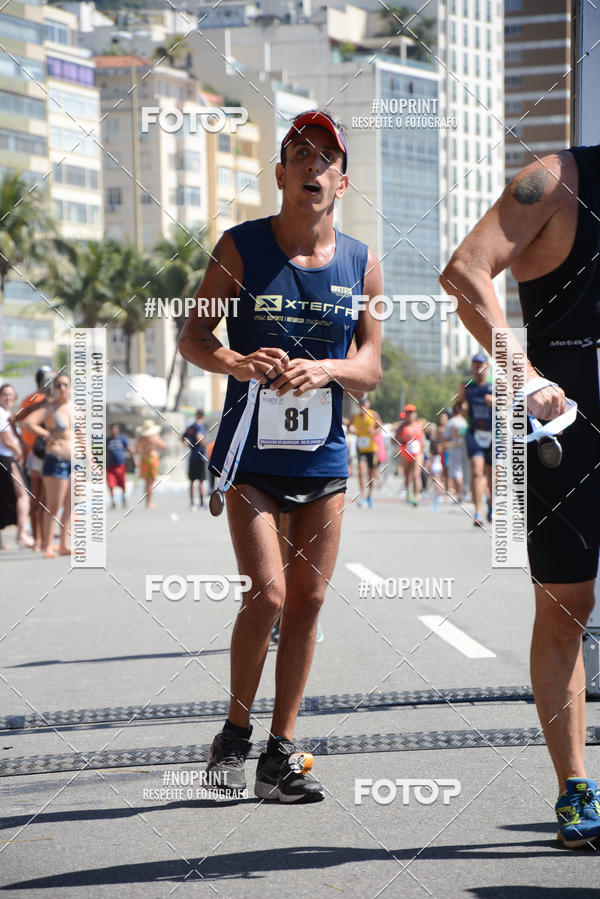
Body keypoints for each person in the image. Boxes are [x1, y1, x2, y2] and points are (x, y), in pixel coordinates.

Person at [178, 108, 382, 802]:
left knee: (310, 601)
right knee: (267, 593)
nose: (311, 165)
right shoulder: (239, 248)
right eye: (299, 153)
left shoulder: (361, 263)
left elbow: (371, 366)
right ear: (280, 174)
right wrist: (237, 361)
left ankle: (279, 753)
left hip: (322, 459)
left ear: (342, 180)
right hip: (252, 457)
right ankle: (235, 728)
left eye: (325, 157)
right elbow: (193, 338)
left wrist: (326, 371)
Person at [440, 145, 600, 847]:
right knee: (569, 603)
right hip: (569, 415)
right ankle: (575, 789)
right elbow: (464, 270)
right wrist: (525, 375)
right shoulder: (555, 181)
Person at [23, 374, 72, 558]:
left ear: (70, 387)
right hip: (56, 459)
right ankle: (49, 544)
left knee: (70, 504)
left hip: (75, 461)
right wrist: (47, 434)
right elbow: (28, 423)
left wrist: (92, 461)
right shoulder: (49, 407)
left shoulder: (75, 409)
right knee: (54, 504)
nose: (62, 388)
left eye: (65, 385)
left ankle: (64, 544)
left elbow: (82, 437)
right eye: (58, 385)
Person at [12, 367, 54, 550]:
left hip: (40, 454)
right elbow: (16, 419)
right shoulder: (37, 400)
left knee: (42, 499)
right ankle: (41, 540)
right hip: (38, 454)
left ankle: (42, 539)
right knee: (41, 498)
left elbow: (16, 420)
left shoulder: (45, 401)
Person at [459, 353, 493, 527]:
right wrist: (461, 403)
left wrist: (495, 401)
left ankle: (492, 504)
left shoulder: (495, 384)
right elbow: (461, 408)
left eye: (480, 363)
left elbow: (512, 403)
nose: (477, 366)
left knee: (493, 474)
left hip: (495, 433)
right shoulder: (468, 386)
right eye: (474, 364)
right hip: (475, 432)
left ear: (487, 365)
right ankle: (478, 512)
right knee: (477, 471)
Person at [0, 384, 33, 549]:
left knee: (4, 497)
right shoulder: (1, 414)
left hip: (7, 457)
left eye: (10, 395)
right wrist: (18, 450)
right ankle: (22, 534)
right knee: (23, 495)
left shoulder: (7, 414)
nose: (7, 398)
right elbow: (5, 438)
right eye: (4, 395)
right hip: (6, 458)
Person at [350, 397, 382, 507]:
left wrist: (373, 431)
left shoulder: (373, 414)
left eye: (365, 404)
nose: (363, 407)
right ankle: (363, 496)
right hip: (361, 449)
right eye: (361, 405)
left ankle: (369, 496)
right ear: (359, 406)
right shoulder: (355, 417)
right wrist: (352, 429)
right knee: (361, 472)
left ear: (368, 405)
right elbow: (350, 426)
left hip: (372, 449)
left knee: (371, 474)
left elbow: (380, 427)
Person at [396, 404, 425, 507]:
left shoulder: (418, 426)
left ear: (415, 414)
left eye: (411, 413)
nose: (410, 415)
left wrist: (419, 442)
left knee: (416, 474)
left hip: (417, 453)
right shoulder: (402, 426)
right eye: (408, 413)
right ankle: (408, 493)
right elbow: (396, 439)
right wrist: (403, 440)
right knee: (407, 475)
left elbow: (424, 441)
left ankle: (416, 496)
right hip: (405, 452)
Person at [135, 420, 165, 510]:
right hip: (153, 458)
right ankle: (149, 503)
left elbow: (136, 449)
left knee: (146, 482)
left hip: (144, 459)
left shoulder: (142, 439)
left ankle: (147, 502)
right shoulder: (155, 437)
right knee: (151, 483)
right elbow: (163, 446)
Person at [182, 409, 207, 509]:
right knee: (201, 480)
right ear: (202, 416)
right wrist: (204, 444)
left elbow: (182, 437)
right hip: (200, 456)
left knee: (192, 481)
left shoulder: (191, 427)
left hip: (192, 456)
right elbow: (199, 436)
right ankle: (201, 503)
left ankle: (192, 502)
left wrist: (188, 444)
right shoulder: (199, 426)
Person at [444, 400, 468, 502]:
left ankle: (460, 494)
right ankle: (462, 492)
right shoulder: (465, 421)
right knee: (463, 471)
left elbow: (446, 437)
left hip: (454, 448)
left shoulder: (451, 422)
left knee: (456, 472)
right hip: (465, 449)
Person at [106, 423, 134, 508]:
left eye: (115, 428)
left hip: (120, 465)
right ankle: (113, 500)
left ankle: (123, 498)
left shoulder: (122, 439)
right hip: (110, 466)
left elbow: (129, 449)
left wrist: (133, 460)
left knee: (122, 483)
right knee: (110, 484)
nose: (113, 430)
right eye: (112, 429)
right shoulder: (107, 441)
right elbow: (105, 453)